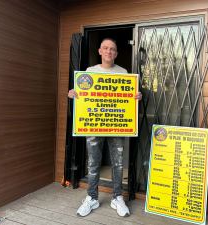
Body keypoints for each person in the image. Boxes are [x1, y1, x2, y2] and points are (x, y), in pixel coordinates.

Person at [68, 38, 142, 217]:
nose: (109, 51)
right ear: (100, 51)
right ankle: (92, 198)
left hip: (117, 125)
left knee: (117, 164)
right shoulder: (89, 72)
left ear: (116, 54)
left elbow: (127, 97)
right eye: (106, 48)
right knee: (93, 164)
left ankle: (117, 197)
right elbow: (83, 95)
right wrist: (73, 94)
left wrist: (136, 96)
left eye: (113, 49)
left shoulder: (123, 72)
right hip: (93, 125)